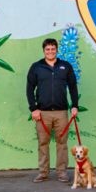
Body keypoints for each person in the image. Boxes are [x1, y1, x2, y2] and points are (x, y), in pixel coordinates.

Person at [26, 37, 79, 182]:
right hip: (42, 113)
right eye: (47, 49)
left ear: (56, 50)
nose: (50, 51)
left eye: (53, 49)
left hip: (61, 112)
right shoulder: (36, 67)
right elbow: (30, 89)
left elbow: (73, 87)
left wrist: (74, 105)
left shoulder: (65, 66)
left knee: (62, 143)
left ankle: (61, 172)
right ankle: (43, 172)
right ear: (44, 51)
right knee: (43, 143)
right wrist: (33, 109)